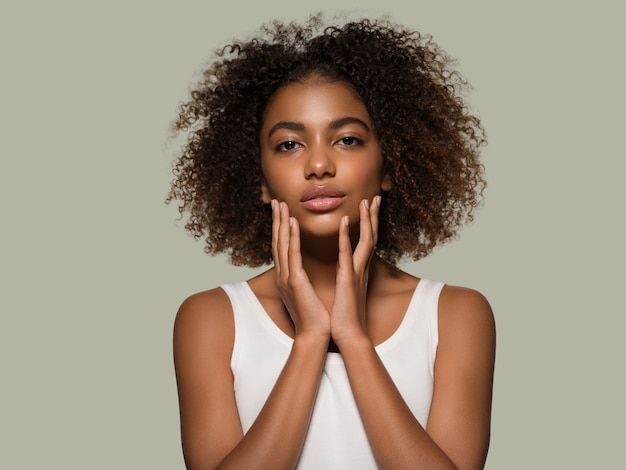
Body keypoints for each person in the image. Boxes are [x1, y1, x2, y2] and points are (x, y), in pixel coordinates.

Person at [167, 13, 495, 470]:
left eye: (346, 139)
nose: (319, 164)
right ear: (259, 180)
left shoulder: (456, 314)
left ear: (387, 167)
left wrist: (353, 340)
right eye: (288, 145)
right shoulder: (211, 320)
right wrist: (311, 339)